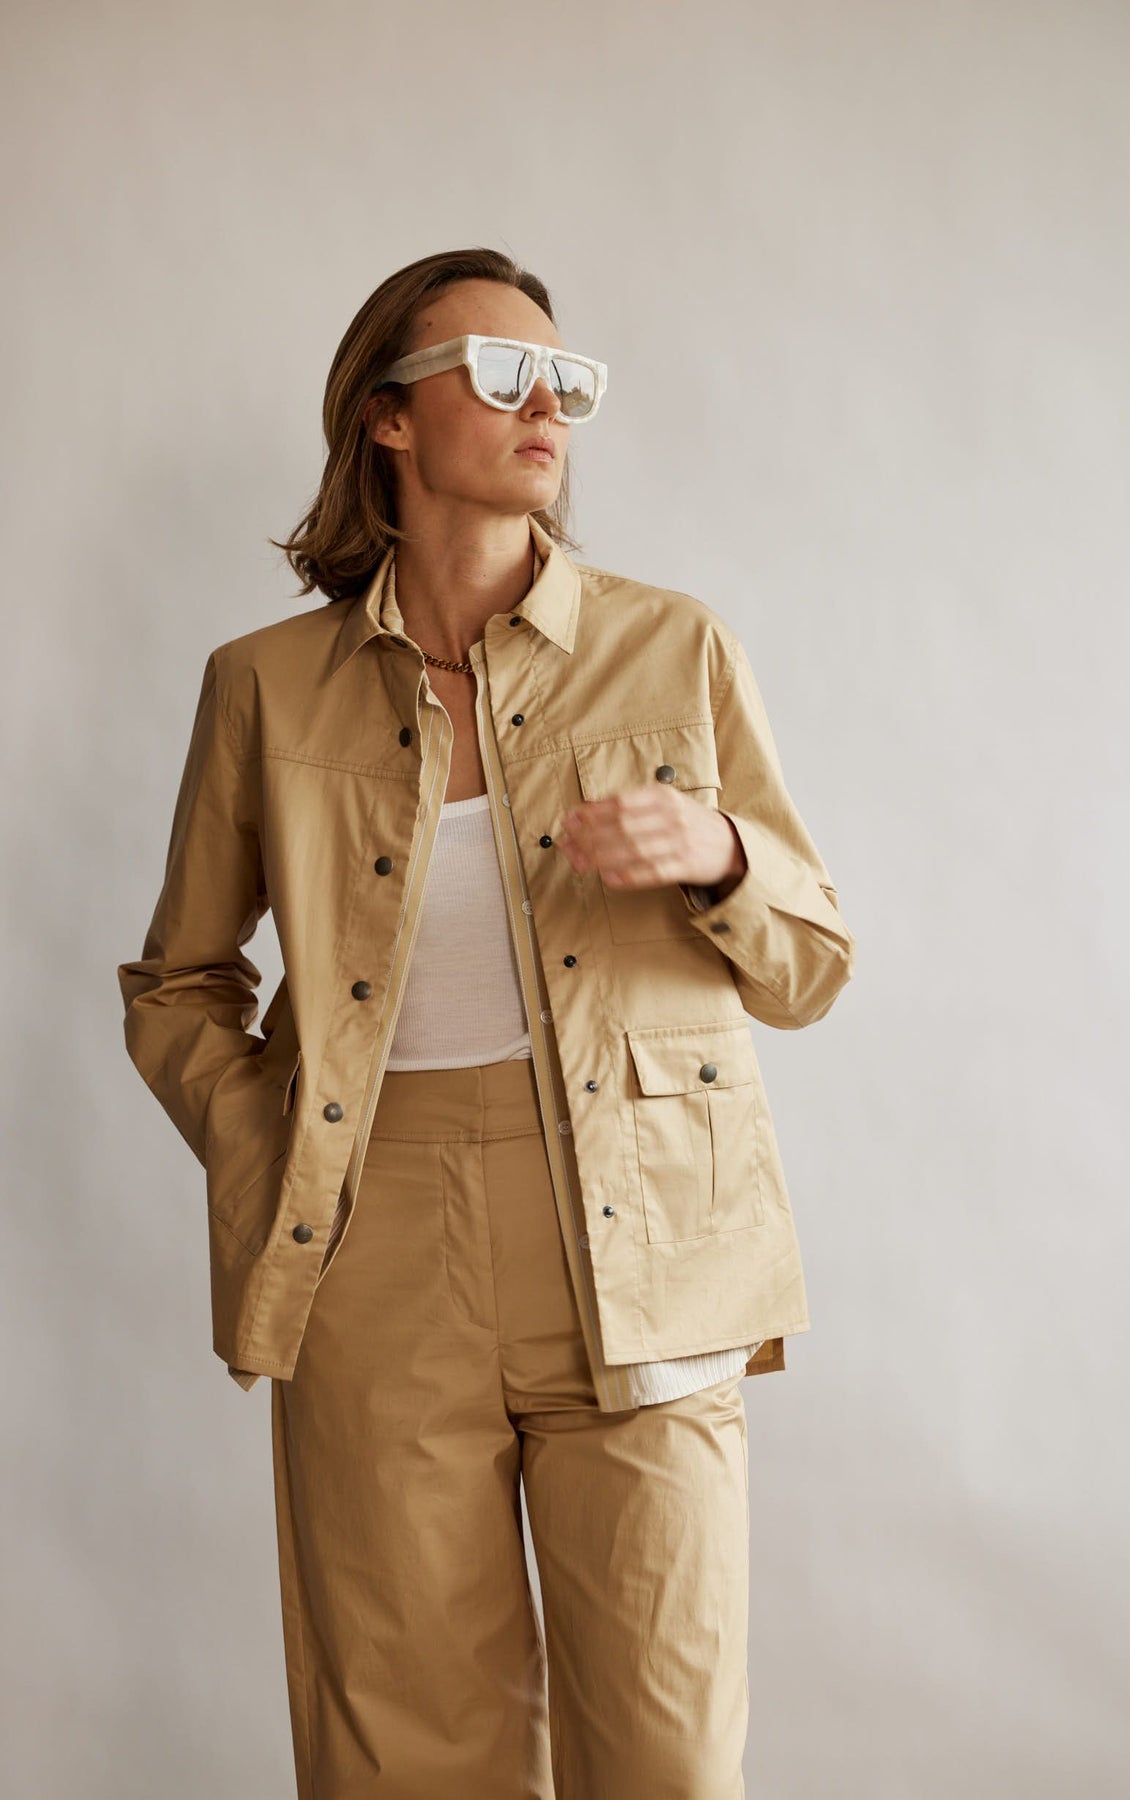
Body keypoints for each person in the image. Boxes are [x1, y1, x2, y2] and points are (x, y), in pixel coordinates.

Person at [117, 245, 856, 1798]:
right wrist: (267, 1148)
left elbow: (810, 965)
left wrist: (722, 856)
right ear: (387, 415)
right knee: (408, 1752)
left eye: (567, 382)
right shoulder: (267, 688)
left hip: (645, 1235)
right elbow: (181, 980)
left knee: (665, 1750)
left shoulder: (674, 649)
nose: (549, 410)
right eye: (505, 374)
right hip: (375, 1239)